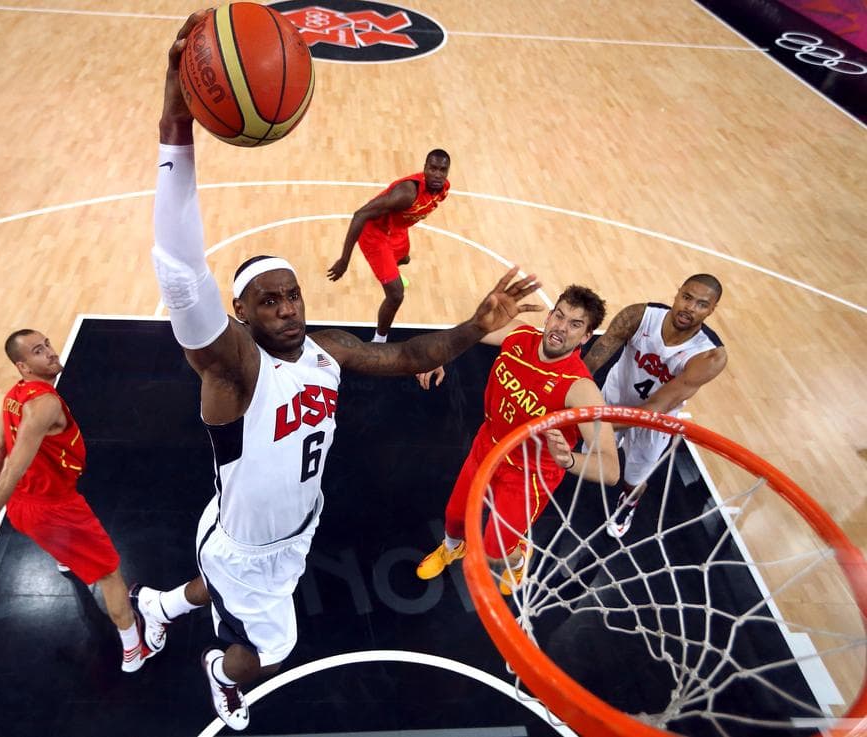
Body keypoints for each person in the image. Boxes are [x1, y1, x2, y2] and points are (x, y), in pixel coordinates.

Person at [132, 13, 542, 732]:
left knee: (222, 587)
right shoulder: (232, 367)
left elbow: (406, 355)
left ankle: (161, 605)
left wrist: (477, 327)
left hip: (285, 532)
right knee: (277, 644)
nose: (288, 307)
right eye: (270, 299)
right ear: (242, 312)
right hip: (247, 542)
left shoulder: (327, 348)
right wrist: (175, 118)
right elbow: (178, 269)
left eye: (292, 293)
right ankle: (215, 671)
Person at [0, 329, 161, 673]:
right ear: (23, 366)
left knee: (55, 539)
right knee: (109, 573)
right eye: (37, 351)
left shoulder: (13, 395)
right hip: (56, 508)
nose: (49, 352)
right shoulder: (44, 405)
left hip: (24, 507)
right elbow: (12, 467)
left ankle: (65, 559)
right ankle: (134, 649)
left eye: (46, 344)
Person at [415, 287, 621, 594]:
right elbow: (469, 331)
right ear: (549, 316)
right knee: (455, 517)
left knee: (496, 548)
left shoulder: (580, 389)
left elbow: (611, 469)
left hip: (529, 473)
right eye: (559, 316)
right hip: (488, 446)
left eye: (575, 324)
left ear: (586, 337)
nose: (561, 328)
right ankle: (450, 548)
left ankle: (517, 559)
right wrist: (439, 354)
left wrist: (569, 460)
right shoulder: (517, 336)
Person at [582, 274, 727, 537]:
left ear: (712, 309)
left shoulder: (709, 356)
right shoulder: (638, 316)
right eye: (687, 297)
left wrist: (589, 421)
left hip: (654, 421)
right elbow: (590, 362)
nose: (690, 308)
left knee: (633, 478)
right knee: (592, 458)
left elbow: (655, 407)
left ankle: (628, 505)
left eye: (701, 304)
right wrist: (569, 393)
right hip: (614, 397)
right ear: (677, 293)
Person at [326, 148, 451, 343]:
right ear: (424, 168)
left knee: (404, 258)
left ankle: (392, 270)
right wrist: (344, 260)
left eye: (442, 170)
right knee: (396, 295)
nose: (437, 174)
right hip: (374, 234)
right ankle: (379, 340)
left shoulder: (443, 189)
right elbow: (360, 215)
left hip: (396, 230)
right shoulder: (406, 193)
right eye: (432, 168)